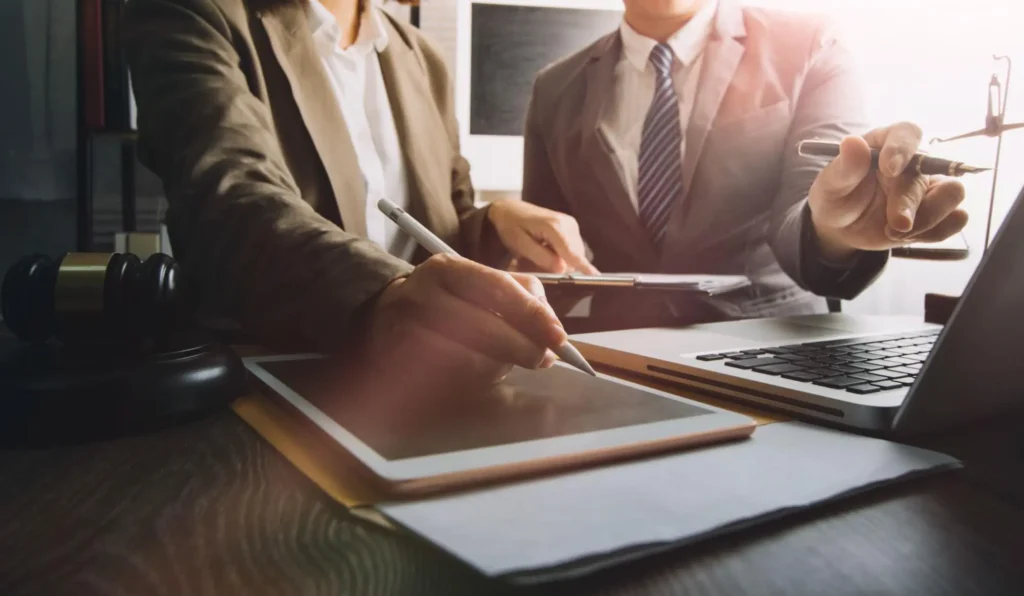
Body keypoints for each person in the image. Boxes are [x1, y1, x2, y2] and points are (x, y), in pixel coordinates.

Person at [122, 0, 597, 381]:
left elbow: (445, 225)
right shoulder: (194, 12)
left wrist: (492, 223)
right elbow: (230, 200)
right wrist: (384, 295)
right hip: (272, 384)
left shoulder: (422, 56)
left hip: (439, 382)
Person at [517, 0, 968, 330]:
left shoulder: (811, 43)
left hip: (768, 348)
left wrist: (834, 231)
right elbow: (546, 251)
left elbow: (811, 205)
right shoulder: (555, 87)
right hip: (614, 359)